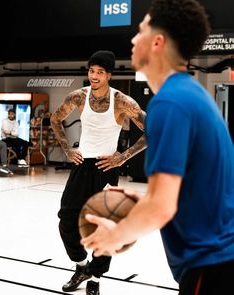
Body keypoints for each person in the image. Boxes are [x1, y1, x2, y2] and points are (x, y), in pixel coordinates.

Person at [81, 1, 234, 294]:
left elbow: (161, 207)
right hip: (218, 260)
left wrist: (115, 237)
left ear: (157, 42)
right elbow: (182, 192)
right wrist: (143, 200)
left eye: (140, 31)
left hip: (213, 266)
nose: (133, 39)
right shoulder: (190, 95)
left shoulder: (169, 103)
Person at [50, 50, 146, 295]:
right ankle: (82, 266)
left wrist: (122, 157)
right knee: (67, 220)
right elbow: (55, 118)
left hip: (106, 168)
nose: (94, 76)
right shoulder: (78, 97)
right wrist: (67, 150)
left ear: (109, 75)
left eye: (99, 72)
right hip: (81, 165)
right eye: (91, 71)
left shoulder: (122, 101)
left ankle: (95, 278)